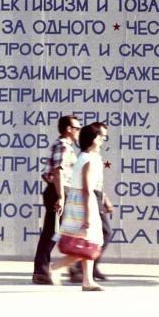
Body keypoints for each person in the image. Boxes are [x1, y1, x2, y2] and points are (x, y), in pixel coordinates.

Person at [49, 124, 105, 291]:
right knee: (86, 244)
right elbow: (87, 189)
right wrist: (87, 216)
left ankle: (87, 280)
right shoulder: (89, 160)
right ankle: (56, 267)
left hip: (79, 202)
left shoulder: (87, 157)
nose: (103, 139)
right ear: (92, 139)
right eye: (101, 136)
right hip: (84, 204)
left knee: (87, 243)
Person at [32, 114, 81, 284]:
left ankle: (72, 268)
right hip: (58, 191)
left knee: (67, 231)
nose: (79, 131)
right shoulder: (63, 146)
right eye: (77, 128)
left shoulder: (65, 146)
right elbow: (58, 171)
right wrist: (60, 197)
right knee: (52, 232)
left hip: (61, 190)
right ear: (68, 129)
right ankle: (42, 271)